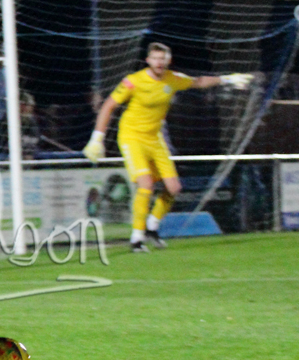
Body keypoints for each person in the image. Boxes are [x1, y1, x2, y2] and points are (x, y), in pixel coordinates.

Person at [82, 42, 252, 252]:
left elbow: (198, 82)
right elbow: (108, 105)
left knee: (174, 188)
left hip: (155, 139)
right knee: (146, 185)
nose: (159, 62)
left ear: (168, 61)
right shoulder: (133, 81)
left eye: (162, 59)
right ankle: (136, 239)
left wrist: (227, 79)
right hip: (132, 137)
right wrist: (97, 138)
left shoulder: (173, 79)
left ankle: (152, 227)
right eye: (155, 58)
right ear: (148, 60)